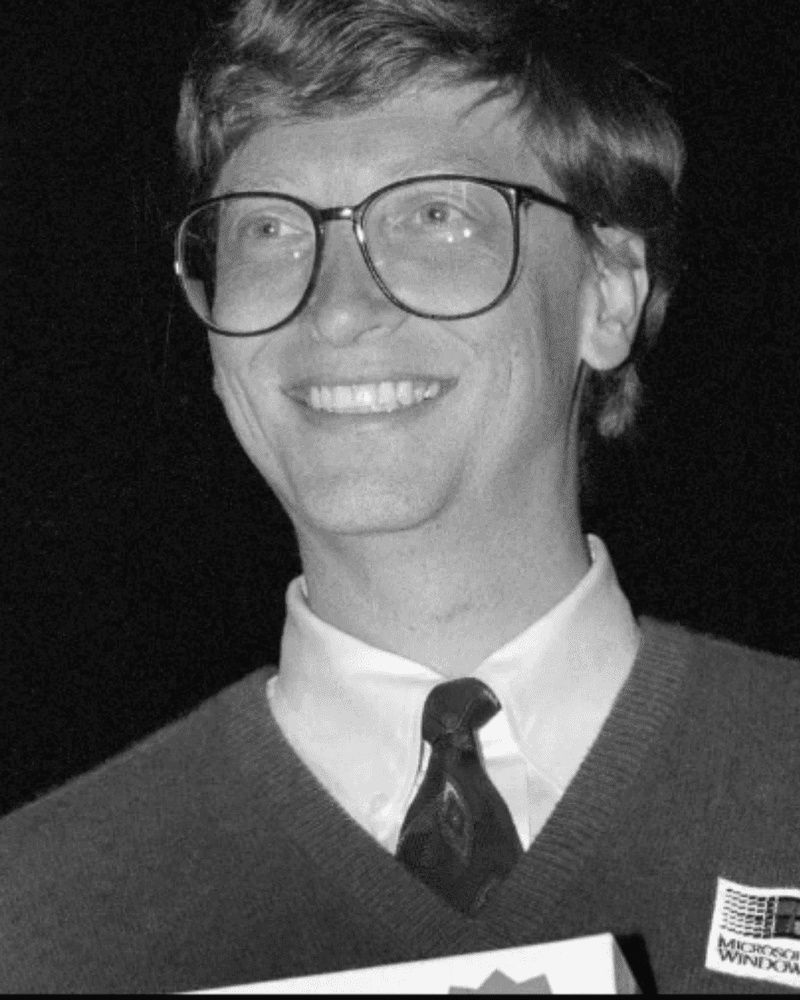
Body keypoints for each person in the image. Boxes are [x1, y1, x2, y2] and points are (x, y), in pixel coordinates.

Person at [1, 0, 798, 993]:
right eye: (268, 229)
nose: (335, 307)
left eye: (434, 213)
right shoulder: (37, 915)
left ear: (607, 292)